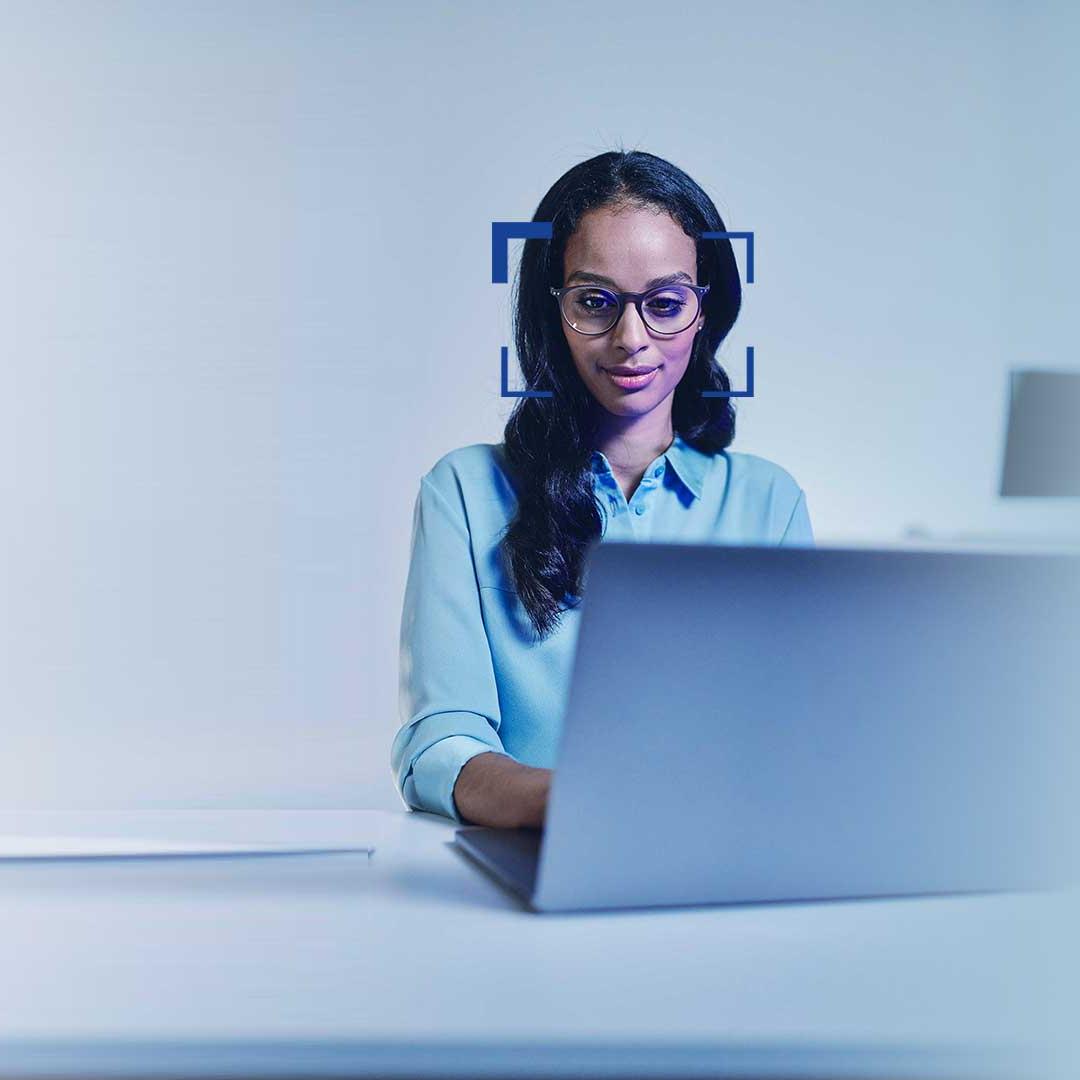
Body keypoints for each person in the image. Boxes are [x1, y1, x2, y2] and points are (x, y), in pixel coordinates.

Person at [391, 149, 814, 829]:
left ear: (705, 312)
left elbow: (795, 733)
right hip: (535, 856)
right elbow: (440, 746)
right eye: (595, 302)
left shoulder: (769, 501)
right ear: (553, 309)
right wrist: (565, 803)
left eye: (665, 304)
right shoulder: (465, 492)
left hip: (723, 861)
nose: (630, 338)